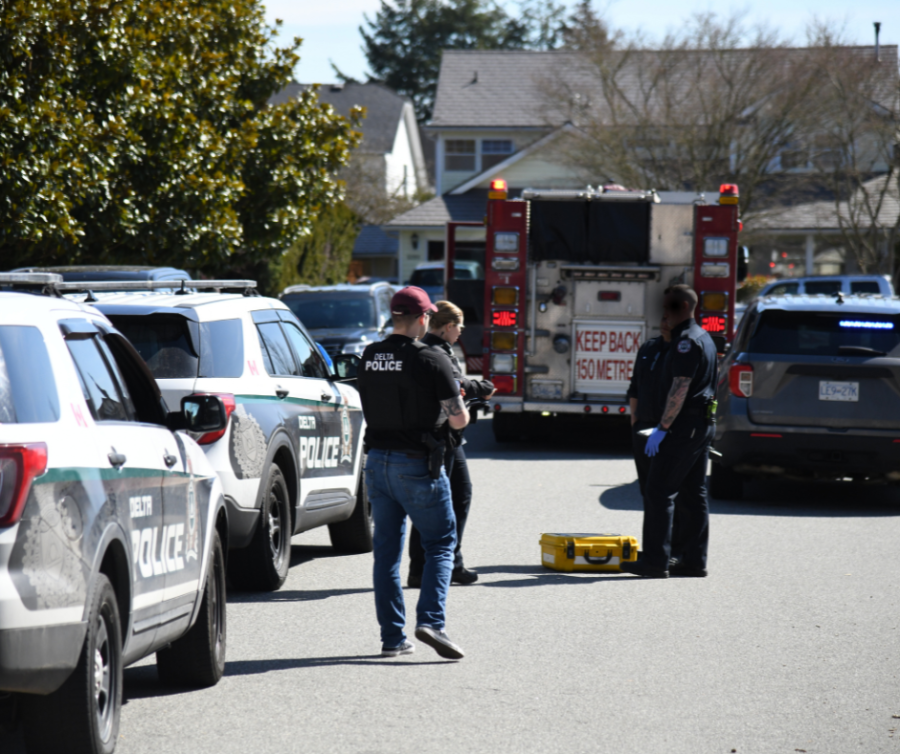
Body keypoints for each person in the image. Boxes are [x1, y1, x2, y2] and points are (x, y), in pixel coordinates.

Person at [357, 286, 469, 660]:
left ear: (394, 316)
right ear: (423, 318)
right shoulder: (430, 358)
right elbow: (459, 420)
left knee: (386, 554)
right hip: (416, 464)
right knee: (439, 543)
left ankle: (392, 639)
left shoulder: (369, 355)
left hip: (376, 463)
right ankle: (431, 622)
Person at [620, 284, 717, 579]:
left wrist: (663, 427)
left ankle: (654, 561)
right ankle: (692, 560)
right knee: (692, 492)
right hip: (699, 425)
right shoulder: (704, 338)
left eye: (670, 308)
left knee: (659, 491)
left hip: (683, 427)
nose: (664, 314)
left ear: (684, 308)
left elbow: (681, 387)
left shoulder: (686, 342)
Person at [407, 301, 495, 588]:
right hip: (439, 438)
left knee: (458, 495)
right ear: (448, 327)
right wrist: (481, 388)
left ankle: (447, 563)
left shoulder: (436, 348)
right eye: (459, 326)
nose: (461, 332)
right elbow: (456, 385)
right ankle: (427, 567)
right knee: (436, 502)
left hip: (450, 439)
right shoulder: (434, 352)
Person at [627, 317, 671, 496]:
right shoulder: (648, 348)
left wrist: (666, 428)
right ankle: (653, 524)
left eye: (668, 320)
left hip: (668, 431)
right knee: (647, 490)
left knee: (665, 491)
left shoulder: (682, 350)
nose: (664, 323)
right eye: (662, 319)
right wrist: (635, 423)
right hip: (643, 428)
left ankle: (670, 524)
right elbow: (635, 387)